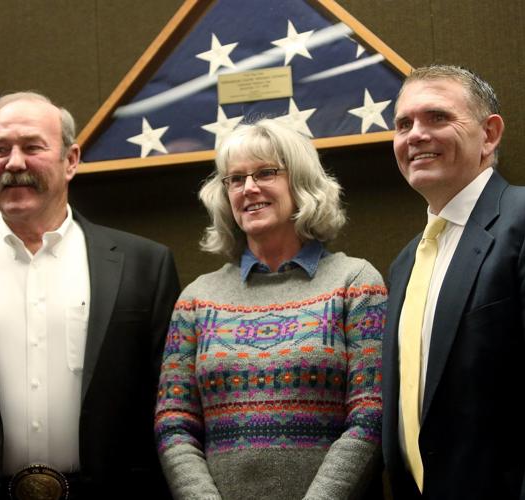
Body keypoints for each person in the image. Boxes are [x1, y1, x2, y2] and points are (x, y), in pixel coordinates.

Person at [0, 91, 180, 499]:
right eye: (0, 149)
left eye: (32, 147)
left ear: (71, 160)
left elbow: (170, 411)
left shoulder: (144, 268)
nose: (14, 163)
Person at [381, 64, 525, 499]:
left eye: (437, 117)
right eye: (403, 124)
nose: (415, 134)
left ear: (489, 135)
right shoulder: (404, 264)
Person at [154, 118, 386, 499]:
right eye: (235, 179)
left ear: (301, 183)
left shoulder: (356, 283)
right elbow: (174, 423)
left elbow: (370, 416)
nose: (249, 188)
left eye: (265, 173)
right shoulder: (197, 299)